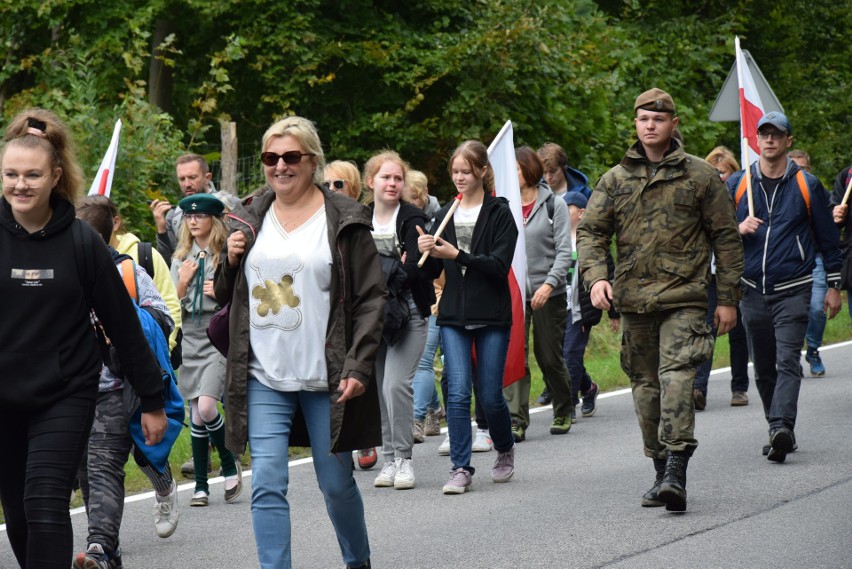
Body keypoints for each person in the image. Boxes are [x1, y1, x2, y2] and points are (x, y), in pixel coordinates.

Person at [213, 116, 384, 569]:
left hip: (325, 377)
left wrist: (358, 366)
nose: (280, 166)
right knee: (267, 481)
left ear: (313, 161)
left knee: (336, 483)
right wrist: (229, 263)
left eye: (291, 157)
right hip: (263, 374)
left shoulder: (344, 220)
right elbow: (225, 293)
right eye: (271, 158)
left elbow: (371, 299)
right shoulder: (249, 217)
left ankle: (357, 561)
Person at [0, 108, 167, 568]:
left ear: (55, 176)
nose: (21, 185)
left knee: (44, 501)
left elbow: (124, 325)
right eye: (11, 174)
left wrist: (152, 400)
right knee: (15, 505)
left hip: (66, 393)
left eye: (32, 175)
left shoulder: (81, 241)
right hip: (4, 394)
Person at [577, 88, 743, 512]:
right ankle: (659, 468)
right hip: (634, 303)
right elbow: (591, 233)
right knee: (645, 389)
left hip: (685, 298)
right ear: (635, 124)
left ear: (673, 124)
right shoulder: (615, 179)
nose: (649, 125)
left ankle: (676, 472)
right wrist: (596, 278)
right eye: (642, 119)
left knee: (677, 381)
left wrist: (727, 298)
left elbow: (726, 237)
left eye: (658, 119)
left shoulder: (701, 175)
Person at [729, 111, 842, 463]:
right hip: (751, 289)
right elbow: (714, 234)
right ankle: (776, 430)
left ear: (788, 141)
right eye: (764, 134)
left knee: (787, 361)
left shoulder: (807, 184)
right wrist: (737, 229)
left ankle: (782, 426)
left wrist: (834, 285)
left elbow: (827, 238)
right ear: (756, 140)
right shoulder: (737, 184)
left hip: (795, 287)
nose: (770, 140)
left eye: (777, 134)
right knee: (762, 369)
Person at [74, 197, 179, 568]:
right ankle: (108, 547)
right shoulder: (61, 269)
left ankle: (100, 545)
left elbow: (163, 318)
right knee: (86, 468)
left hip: (118, 387)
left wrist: (120, 318)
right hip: (73, 389)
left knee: (103, 463)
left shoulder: (129, 271)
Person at [417, 140, 518, 495]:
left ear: (482, 171)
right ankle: (460, 467)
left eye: (465, 171)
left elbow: (498, 266)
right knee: (457, 394)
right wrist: (426, 252)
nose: (459, 178)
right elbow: (432, 272)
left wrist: (457, 254)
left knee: (490, 395)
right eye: (454, 172)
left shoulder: (500, 213)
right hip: (453, 317)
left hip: (491, 313)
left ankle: (504, 448)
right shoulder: (444, 213)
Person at [362, 150, 438, 490]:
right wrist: (396, 267)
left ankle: (404, 460)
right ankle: (388, 458)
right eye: (385, 177)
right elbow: (351, 268)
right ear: (371, 182)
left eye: (397, 178)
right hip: (371, 312)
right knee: (379, 389)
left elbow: (420, 270)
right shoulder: (360, 218)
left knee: (396, 384)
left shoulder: (412, 217)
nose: (392, 183)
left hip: (408, 311)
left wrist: (390, 268)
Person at [170, 192, 243, 506]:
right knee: (196, 416)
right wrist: (184, 281)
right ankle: (201, 485)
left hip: (217, 334)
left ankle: (229, 463)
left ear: (214, 219)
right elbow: (172, 302)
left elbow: (241, 298)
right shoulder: (180, 257)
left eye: (200, 216)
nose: (193, 220)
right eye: (189, 216)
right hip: (191, 336)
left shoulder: (225, 254)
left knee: (207, 407)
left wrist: (221, 289)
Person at [503, 146, 575, 440]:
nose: (512, 175)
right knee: (515, 356)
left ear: (529, 171)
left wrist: (548, 285)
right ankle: (516, 419)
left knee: (548, 356)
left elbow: (564, 252)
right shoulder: (503, 204)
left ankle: (563, 407)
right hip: (515, 293)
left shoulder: (553, 204)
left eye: (516, 170)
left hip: (550, 292)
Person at [693, 147, 751, 409]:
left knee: (738, 332)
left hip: (738, 273)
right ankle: (698, 388)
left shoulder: (744, 197)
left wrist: (743, 228)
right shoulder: (702, 196)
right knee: (707, 329)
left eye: (724, 173)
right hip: (709, 273)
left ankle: (739, 387)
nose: (720, 178)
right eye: (714, 173)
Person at [562, 191, 619, 421]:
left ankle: (569, 405)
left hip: (581, 309)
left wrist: (614, 312)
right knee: (558, 357)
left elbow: (610, 275)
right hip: (558, 307)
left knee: (570, 354)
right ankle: (588, 388)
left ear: (581, 212)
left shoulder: (593, 242)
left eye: (567, 209)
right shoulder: (557, 238)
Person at [406, 169, 445, 440]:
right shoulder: (399, 220)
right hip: (409, 297)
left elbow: (443, 272)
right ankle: (435, 408)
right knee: (420, 361)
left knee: (422, 361)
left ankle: (416, 420)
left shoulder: (441, 221)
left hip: (435, 297)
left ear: (420, 196)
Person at [150, 153, 240, 264]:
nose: (187, 184)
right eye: (182, 179)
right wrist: (161, 229)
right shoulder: (174, 216)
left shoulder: (233, 205)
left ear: (207, 178)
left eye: (192, 177)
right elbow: (168, 264)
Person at [788, 149, 828, 377]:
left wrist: (836, 216)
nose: (798, 173)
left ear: (809, 170)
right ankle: (791, 355)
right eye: (794, 168)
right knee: (790, 313)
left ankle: (812, 350)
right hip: (789, 261)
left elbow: (831, 226)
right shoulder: (779, 192)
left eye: (802, 168)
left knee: (816, 308)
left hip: (815, 259)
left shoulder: (815, 189)